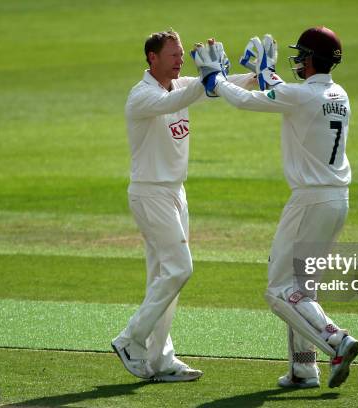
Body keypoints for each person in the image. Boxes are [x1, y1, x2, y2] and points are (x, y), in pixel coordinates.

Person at [192, 27, 358, 389]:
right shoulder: (338, 93)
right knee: (303, 290)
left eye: (303, 55)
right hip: (337, 201)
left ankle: (336, 339)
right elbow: (286, 94)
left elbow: (244, 100)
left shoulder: (299, 96)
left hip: (310, 201)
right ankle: (303, 369)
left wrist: (214, 78)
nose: (299, 60)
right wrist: (267, 71)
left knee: (279, 289)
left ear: (312, 59)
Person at [112, 30, 255, 382]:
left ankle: (161, 360)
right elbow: (178, 101)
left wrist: (256, 76)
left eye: (181, 55)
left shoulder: (179, 86)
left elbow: (211, 89)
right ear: (152, 58)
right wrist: (209, 78)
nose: (179, 60)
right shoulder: (142, 96)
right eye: (173, 55)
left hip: (175, 192)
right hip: (150, 192)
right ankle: (130, 339)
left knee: (163, 279)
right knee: (179, 269)